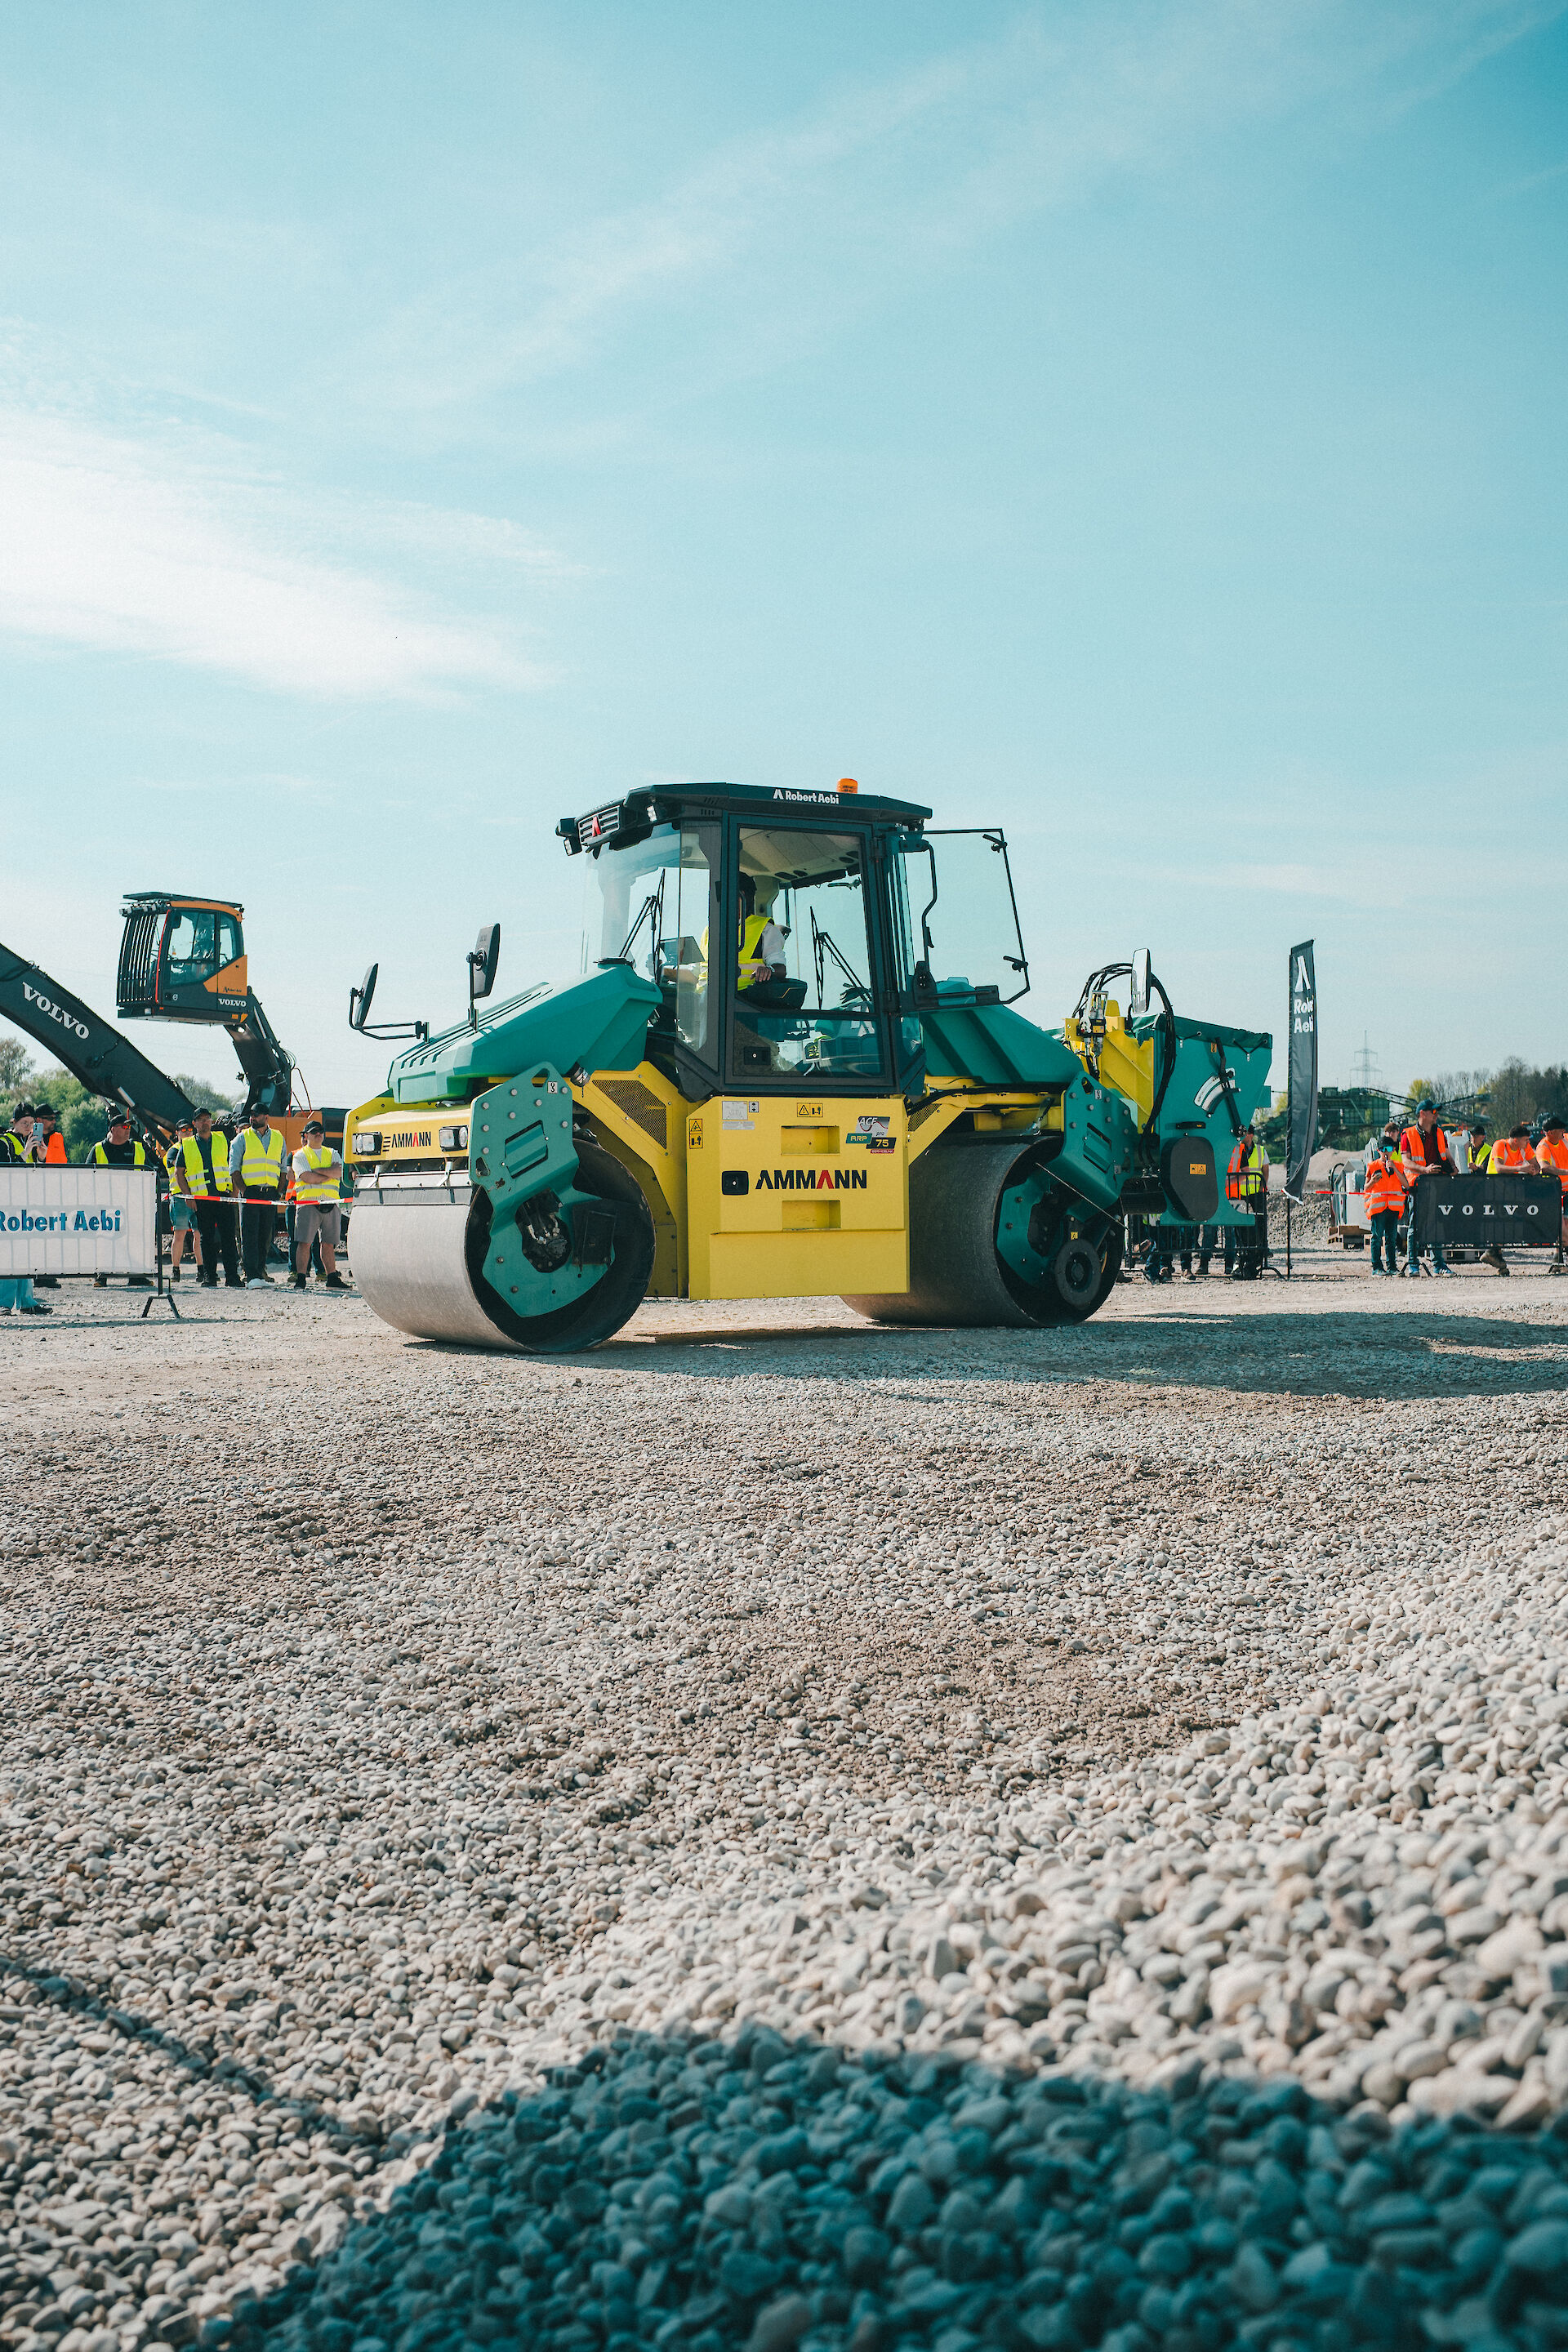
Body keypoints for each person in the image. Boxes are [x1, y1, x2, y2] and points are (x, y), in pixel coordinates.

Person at [172, 1108, 241, 1287]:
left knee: (228, 1238)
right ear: (194, 1124)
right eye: (201, 1120)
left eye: (207, 1119)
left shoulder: (222, 1140)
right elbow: (179, 1173)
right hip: (202, 1199)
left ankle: (232, 1277)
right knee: (206, 1238)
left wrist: (235, 1192)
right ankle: (210, 1277)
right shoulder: (187, 1145)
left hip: (223, 1196)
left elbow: (233, 1165)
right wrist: (188, 1196)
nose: (205, 1122)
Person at [89, 1110, 154, 1289]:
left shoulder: (138, 1148)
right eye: (124, 1127)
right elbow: (86, 1175)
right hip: (105, 1203)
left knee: (135, 1238)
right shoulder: (98, 1149)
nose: (128, 1130)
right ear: (113, 1129)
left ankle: (137, 1275)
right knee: (105, 1239)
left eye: (129, 1127)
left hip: (132, 1202)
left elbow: (151, 1171)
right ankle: (101, 1275)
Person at [290, 1116, 350, 1291]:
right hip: (308, 1203)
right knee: (304, 1243)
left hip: (331, 1203)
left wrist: (317, 1172)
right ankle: (301, 1278)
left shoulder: (332, 1152)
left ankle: (332, 1277)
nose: (318, 1134)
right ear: (306, 1135)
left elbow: (339, 1172)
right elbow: (307, 1177)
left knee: (328, 1244)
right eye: (314, 1132)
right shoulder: (300, 1155)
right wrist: (328, 1174)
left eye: (321, 1131)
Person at [0, 1104, 48, 1315]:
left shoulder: (29, 1142)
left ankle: (27, 1302)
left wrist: (41, 1156)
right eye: (24, 1123)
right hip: (7, 1204)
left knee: (26, 1252)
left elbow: (34, 1173)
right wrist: (27, 1151)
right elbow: (6, 1171)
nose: (29, 1127)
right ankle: (4, 1302)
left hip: (26, 1203)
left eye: (32, 1123)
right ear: (14, 1122)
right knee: (8, 1253)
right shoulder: (4, 1142)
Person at [1400, 1101, 1453, 1277]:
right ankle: (1413, 1264)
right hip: (1418, 1186)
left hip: (1437, 1184)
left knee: (1436, 1224)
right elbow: (1406, 1161)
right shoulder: (1408, 1134)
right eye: (1433, 1112)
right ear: (1423, 1113)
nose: (1436, 1115)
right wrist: (1425, 1170)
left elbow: (1447, 1154)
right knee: (1415, 1225)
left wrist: (1453, 1167)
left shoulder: (1439, 1133)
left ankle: (1438, 1265)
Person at [234, 1107, 286, 1287]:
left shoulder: (278, 1137)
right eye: (251, 1115)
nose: (252, 1118)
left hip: (270, 1193)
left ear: (266, 1117)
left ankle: (260, 1273)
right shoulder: (242, 1138)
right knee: (249, 1235)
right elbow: (234, 1168)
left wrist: (279, 1192)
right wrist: (244, 1191)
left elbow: (283, 1168)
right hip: (251, 1193)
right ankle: (251, 1275)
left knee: (265, 1235)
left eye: (256, 1115)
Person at [162, 1115, 204, 1285]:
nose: (187, 1132)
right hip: (180, 1197)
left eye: (189, 1130)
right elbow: (179, 1167)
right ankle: (176, 1270)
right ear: (177, 1133)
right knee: (179, 1234)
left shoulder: (195, 1147)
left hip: (197, 1195)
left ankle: (201, 1269)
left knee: (199, 1235)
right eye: (183, 1130)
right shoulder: (174, 1150)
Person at [1225, 1124, 1269, 1276]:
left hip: (1255, 1191)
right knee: (1240, 1227)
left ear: (1250, 1134)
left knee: (1259, 1221)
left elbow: (1265, 1171)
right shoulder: (1238, 1149)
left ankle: (1259, 1249)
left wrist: (1263, 1185)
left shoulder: (1260, 1150)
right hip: (1239, 1192)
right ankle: (1242, 1258)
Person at [1362, 1129, 1405, 1276]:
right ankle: (1377, 1267)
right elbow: (1366, 1188)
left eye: (1388, 1148)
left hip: (1393, 1208)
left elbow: (1406, 1184)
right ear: (1378, 1151)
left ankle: (1392, 1267)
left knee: (1391, 1239)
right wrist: (1373, 1181)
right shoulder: (1372, 1166)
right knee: (1376, 1238)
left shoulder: (1399, 1166)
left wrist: (1395, 1169)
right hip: (1378, 1208)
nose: (1386, 1152)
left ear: (1393, 1150)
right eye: (1383, 1149)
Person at [1537, 1111, 1568, 1274]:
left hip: (1565, 1191)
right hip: (1554, 1192)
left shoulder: (1565, 1139)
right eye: (1560, 1129)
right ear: (1550, 1132)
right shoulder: (1543, 1146)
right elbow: (1545, 1167)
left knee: (1565, 1227)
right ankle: (1559, 1259)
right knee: (1562, 1228)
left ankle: (1559, 1259)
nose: (1563, 1131)